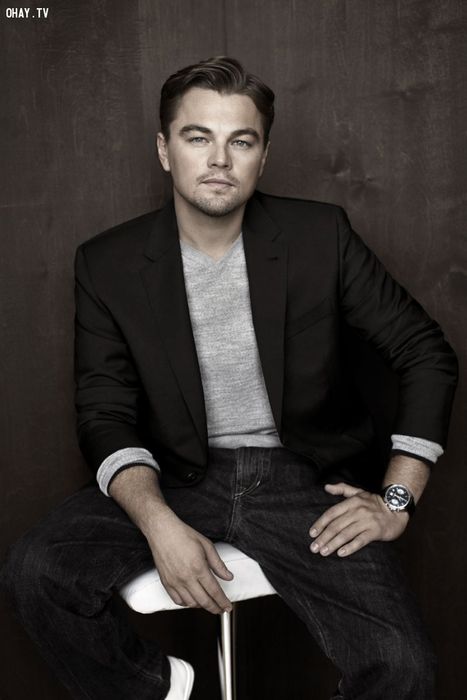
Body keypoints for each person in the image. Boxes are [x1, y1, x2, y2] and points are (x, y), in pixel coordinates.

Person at [1, 56, 458, 700]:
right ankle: (157, 687)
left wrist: (396, 500)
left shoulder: (319, 235)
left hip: (304, 480)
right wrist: (159, 523)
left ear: (262, 157)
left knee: (402, 666)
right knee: (36, 572)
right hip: (174, 474)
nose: (219, 159)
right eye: (198, 137)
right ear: (165, 150)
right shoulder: (108, 263)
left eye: (241, 141)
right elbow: (105, 413)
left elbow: (424, 351)